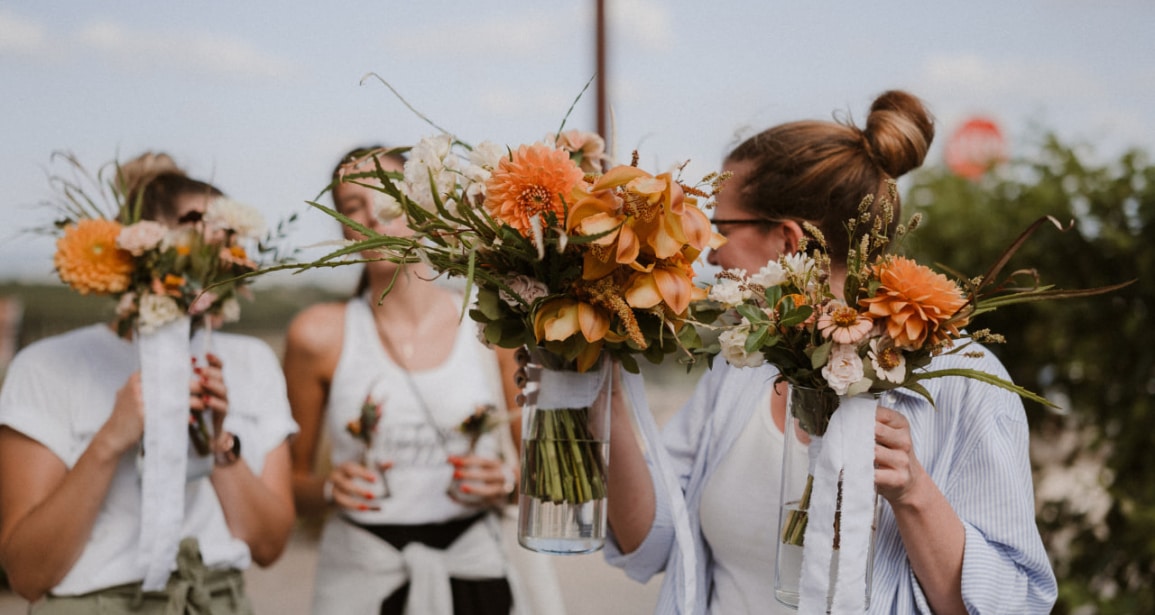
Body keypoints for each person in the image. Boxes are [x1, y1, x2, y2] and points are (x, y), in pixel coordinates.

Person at [602, 91, 1058, 614]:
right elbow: (654, 541)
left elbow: (1016, 605)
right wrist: (606, 393)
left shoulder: (964, 379)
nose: (713, 250)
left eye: (723, 227)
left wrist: (913, 493)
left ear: (788, 241)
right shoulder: (742, 363)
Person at [0, 154, 297, 613]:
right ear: (136, 243)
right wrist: (110, 439)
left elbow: (270, 547)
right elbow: (27, 574)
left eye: (227, 230)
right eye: (195, 221)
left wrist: (217, 441)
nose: (215, 239)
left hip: (215, 601)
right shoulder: (48, 365)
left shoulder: (251, 362)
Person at [284, 147, 564, 615]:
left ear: (423, 207)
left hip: (475, 573)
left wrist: (505, 479)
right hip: (362, 580)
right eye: (353, 206)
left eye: (387, 196)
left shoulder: (489, 325)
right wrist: (331, 488)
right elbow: (290, 486)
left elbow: (543, 478)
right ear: (342, 228)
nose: (373, 214)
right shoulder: (318, 335)